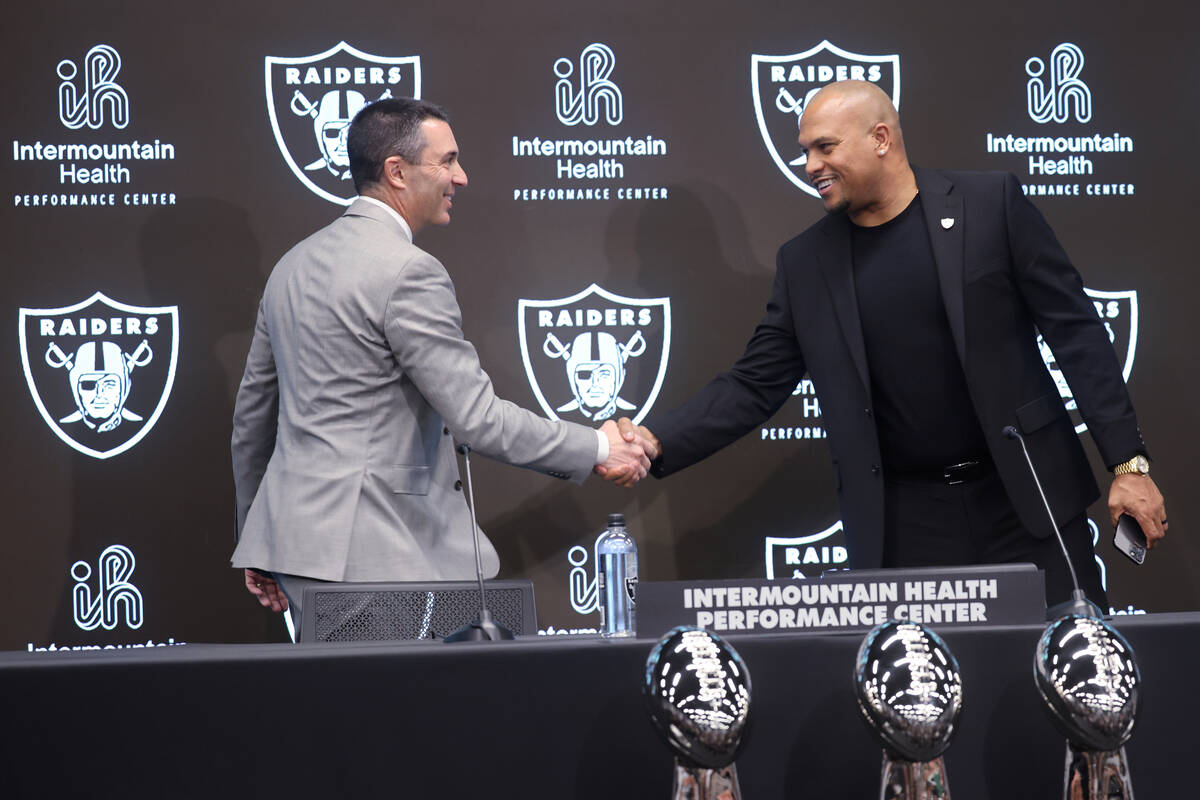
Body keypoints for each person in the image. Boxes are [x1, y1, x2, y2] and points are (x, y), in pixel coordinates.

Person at [603, 80, 1167, 608]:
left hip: (1026, 500)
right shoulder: (805, 264)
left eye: (824, 147)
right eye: (805, 151)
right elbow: (753, 383)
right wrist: (655, 439)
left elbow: (1077, 332)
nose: (809, 166)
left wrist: (1128, 463)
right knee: (923, 700)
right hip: (906, 524)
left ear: (881, 139)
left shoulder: (989, 205)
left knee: (1075, 671)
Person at [232, 98, 653, 627]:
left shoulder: (289, 267)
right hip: (379, 559)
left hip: (293, 553)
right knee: (397, 710)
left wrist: (257, 540)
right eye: (447, 160)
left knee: (333, 708)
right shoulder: (409, 272)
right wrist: (598, 445)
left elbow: (251, 423)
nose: (462, 176)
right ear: (397, 172)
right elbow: (478, 419)